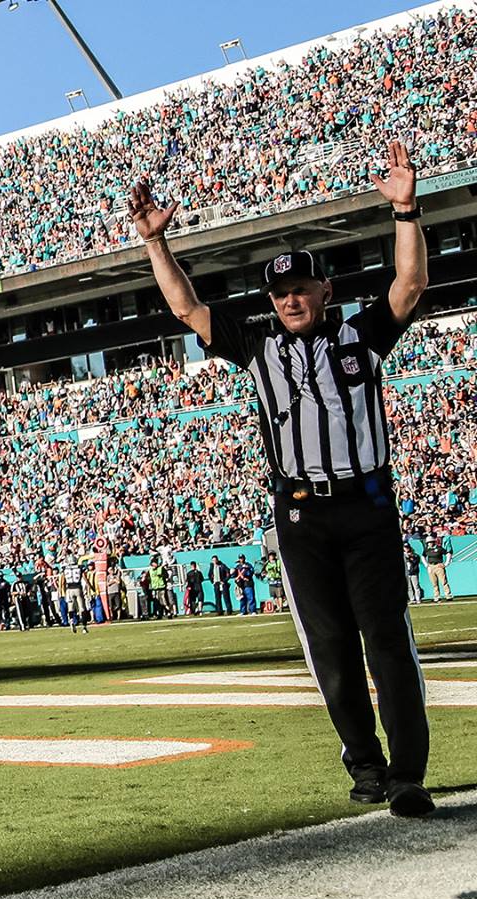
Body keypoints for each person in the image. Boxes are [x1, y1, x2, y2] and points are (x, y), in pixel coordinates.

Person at [129, 139, 434, 818]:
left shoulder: (360, 337)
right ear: (272, 300)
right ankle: (366, 766)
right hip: (301, 516)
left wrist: (406, 210)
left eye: (302, 288)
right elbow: (187, 311)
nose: (292, 299)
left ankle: (408, 774)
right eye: (281, 292)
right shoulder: (256, 346)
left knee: (386, 639)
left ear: (325, 291)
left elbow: (408, 287)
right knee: (328, 645)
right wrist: (157, 244)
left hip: (368, 505)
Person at [423, 533, 453, 602]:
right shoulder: (427, 549)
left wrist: (446, 564)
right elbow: (423, 556)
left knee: (443, 582)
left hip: (439, 566)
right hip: (431, 566)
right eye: (428, 543)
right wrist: (426, 565)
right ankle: (437, 596)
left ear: (433, 542)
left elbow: (448, 554)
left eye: (430, 542)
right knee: (434, 583)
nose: (429, 544)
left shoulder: (439, 548)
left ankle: (448, 595)